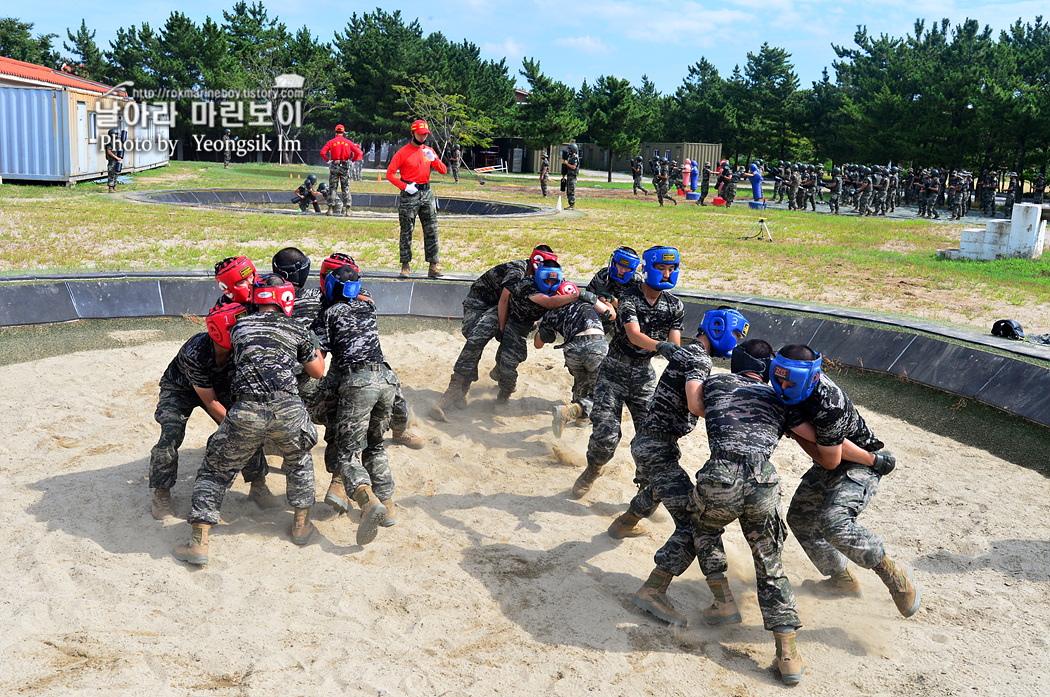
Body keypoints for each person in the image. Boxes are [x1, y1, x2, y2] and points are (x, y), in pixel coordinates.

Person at [173, 276, 325, 566]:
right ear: (286, 299)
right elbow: (317, 372)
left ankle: (199, 542)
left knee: (215, 470)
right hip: (288, 409)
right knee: (299, 461)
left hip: (246, 410)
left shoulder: (240, 325)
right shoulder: (297, 327)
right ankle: (301, 525)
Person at [685, 338, 807, 685]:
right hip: (763, 482)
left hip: (720, 476)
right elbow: (809, 435)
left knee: (704, 529)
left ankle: (723, 601)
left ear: (735, 360)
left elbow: (695, 405)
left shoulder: (718, 382)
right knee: (769, 562)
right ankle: (788, 656)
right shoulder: (781, 399)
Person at [774, 345, 920, 620]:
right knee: (802, 519)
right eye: (778, 377)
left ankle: (892, 573)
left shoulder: (829, 404)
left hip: (853, 464)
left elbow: (831, 458)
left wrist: (795, 429)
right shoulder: (784, 380)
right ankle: (842, 579)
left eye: (789, 381)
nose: (782, 386)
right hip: (835, 454)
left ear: (810, 379)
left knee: (835, 523)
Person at [572, 246, 684, 498]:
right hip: (613, 373)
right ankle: (593, 469)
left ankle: (644, 491)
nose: (666, 274)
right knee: (606, 437)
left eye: (671, 269)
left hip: (644, 377)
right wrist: (661, 346)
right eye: (661, 268)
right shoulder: (630, 298)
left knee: (651, 440)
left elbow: (674, 344)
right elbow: (633, 335)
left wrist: (679, 358)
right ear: (647, 269)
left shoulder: (675, 306)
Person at [147, 303, 272, 520]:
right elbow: (211, 401)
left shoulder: (242, 348)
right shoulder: (195, 351)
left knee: (248, 425)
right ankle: (161, 493)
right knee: (170, 434)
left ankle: (258, 485)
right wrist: (236, 426)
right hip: (180, 388)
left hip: (219, 386)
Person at [315, 265, 400, 544]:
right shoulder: (369, 309)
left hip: (358, 383)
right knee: (375, 445)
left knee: (347, 454)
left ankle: (367, 501)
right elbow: (363, 297)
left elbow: (320, 356)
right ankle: (388, 508)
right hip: (387, 380)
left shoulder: (329, 314)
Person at [429, 246, 560, 421]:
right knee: (475, 338)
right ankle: (459, 386)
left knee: (511, 354)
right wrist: (502, 328)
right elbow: (504, 300)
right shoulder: (517, 270)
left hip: (513, 313)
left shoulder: (550, 276)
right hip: (482, 303)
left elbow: (551, 300)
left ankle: (501, 381)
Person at [493, 260, 583, 410]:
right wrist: (578, 295)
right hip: (516, 324)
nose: (549, 285)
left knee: (508, 359)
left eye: (553, 281)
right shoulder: (527, 284)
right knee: (509, 363)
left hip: (538, 322)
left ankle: (499, 371)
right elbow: (548, 303)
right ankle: (504, 393)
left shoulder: (562, 286)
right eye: (546, 280)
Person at [536, 280, 612, 436]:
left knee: (581, 382)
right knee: (606, 393)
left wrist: (544, 330)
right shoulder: (589, 304)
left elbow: (538, 344)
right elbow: (610, 315)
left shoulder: (553, 313)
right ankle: (569, 411)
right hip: (595, 345)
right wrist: (599, 300)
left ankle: (582, 418)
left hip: (572, 350)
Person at [386, 119, 448, 278]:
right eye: (420, 134)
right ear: (412, 133)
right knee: (407, 230)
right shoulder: (402, 152)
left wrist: (433, 158)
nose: (422, 137)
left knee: (432, 229)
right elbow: (390, 174)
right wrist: (405, 187)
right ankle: (405, 266)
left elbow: (443, 171)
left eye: (425, 134)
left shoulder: (428, 150)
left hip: (426, 193)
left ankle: (433, 265)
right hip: (409, 194)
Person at [586, 246, 641, 336]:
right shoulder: (603, 276)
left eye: (627, 268)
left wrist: (613, 301)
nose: (622, 271)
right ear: (614, 263)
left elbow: (636, 311)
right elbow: (590, 298)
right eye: (620, 265)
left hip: (626, 319)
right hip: (602, 315)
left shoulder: (636, 281)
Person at [320, 124, 363, 217]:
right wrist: (352, 160)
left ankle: (330, 209)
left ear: (335, 132)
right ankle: (347, 210)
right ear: (343, 132)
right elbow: (358, 152)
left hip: (334, 166)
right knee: (345, 188)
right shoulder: (349, 142)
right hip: (345, 167)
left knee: (332, 188)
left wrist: (328, 161)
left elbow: (322, 152)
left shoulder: (331, 142)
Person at [104, 128, 122, 194]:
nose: (117, 136)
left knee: (116, 173)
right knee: (111, 174)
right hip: (112, 161)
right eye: (115, 134)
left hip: (116, 160)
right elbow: (109, 152)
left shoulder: (116, 143)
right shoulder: (109, 143)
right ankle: (110, 188)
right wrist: (116, 158)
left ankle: (114, 186)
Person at [563, 143, 580, 209]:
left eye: (570, 149)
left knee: (571, 191)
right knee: (568, 190)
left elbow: (573, 167)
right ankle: (570, 204)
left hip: (573, 177)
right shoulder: (571, 158)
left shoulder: (575, 158)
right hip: (569, 176)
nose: (568, 151)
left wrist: (567, 164)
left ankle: (572, 205)